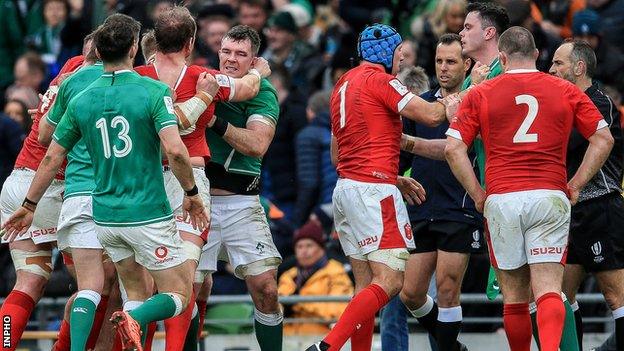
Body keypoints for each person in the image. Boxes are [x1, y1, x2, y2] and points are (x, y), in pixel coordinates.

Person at [2, 13, 210, 351]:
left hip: (101, 212)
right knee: (178, 293)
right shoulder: (153, 90)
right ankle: (137, 320)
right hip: (145, 210)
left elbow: (50, 151)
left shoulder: (78, 92)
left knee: (95, 288)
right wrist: (191, 193)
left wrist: (29, 205)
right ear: (134, 49)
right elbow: (176, 150)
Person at [445, 26, 614, 351]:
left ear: (503, 57)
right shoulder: (564, 89)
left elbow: (453, 149)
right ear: (537, 55)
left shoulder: (482, 92)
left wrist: (478, 194)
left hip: (503, 197)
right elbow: (603, 138)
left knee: (514, 296)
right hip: (549, 194)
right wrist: (576, 183)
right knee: (549, 288)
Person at [306, 23, 454, 351]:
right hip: (373, 193)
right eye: (399, 52)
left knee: (365, 288)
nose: (402, 59)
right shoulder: (382, 81)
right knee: (391, 282)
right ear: (389, 53)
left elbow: (337, 154)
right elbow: (431, 116)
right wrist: (457, 101)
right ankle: (326, 346)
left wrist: (394, 176)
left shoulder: (342, 85)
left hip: (346, 188)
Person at [134, 7, 269, 350]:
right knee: (183, 283)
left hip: (142, 182)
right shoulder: (204, 78)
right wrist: (260, 70)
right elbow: (247, 88)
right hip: (187, 181)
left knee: (146, 285)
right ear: (191, 42)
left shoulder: (134, 78)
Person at [194, 24, 283, 351]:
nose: (231, 59)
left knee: (267, 289)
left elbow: (258, 144)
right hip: (197, 202)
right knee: (193, 289)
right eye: (227, 51)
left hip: (242, 203)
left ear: (253, 59)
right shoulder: (201, 80)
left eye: (241, 54)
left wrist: (214, 121)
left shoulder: (263, 92)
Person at [0, 48, 85, 351]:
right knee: (95, 287)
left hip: (16, 182)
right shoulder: (95, 81)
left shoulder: (65, 73)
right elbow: (53, 149)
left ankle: (4, 345)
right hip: (48, 188)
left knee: (29, 282)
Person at [398, 33, 478, 351]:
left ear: (467, 64)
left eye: (451, 61)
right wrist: (395, 178)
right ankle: (455, 347)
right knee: (411, 293)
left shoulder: (475, 102)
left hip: (458, 207)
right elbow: (401, 155)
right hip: (421, 205)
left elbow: (460, 148)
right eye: (439, 61)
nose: (443, 68)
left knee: (447, 289)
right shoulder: (423, 106)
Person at [550, 39, 624, 350]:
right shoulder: (558, 105)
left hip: (601, 208)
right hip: (569, 213)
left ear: (579, 68)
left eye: (558, 64)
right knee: (561, 296)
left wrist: (575, 185)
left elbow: (577, 145)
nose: (551, 69)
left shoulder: (598, 102)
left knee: (615, 296)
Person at [278, 221, 353, 335]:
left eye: (309, 245)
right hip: (288, 339)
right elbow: (276, 310)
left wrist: (300, 302)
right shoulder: (288, 275)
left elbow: (338, 312)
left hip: (321, 340)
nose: (304, 251)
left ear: (321, 249)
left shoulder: (336, 273)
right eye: (299, 246)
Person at [292, 90, 337, 228]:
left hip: (326, 207)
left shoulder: (308, 135)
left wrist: (298, 222)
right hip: (347, 200)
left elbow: (309, 183)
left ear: (311, 111)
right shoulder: (341, 130)